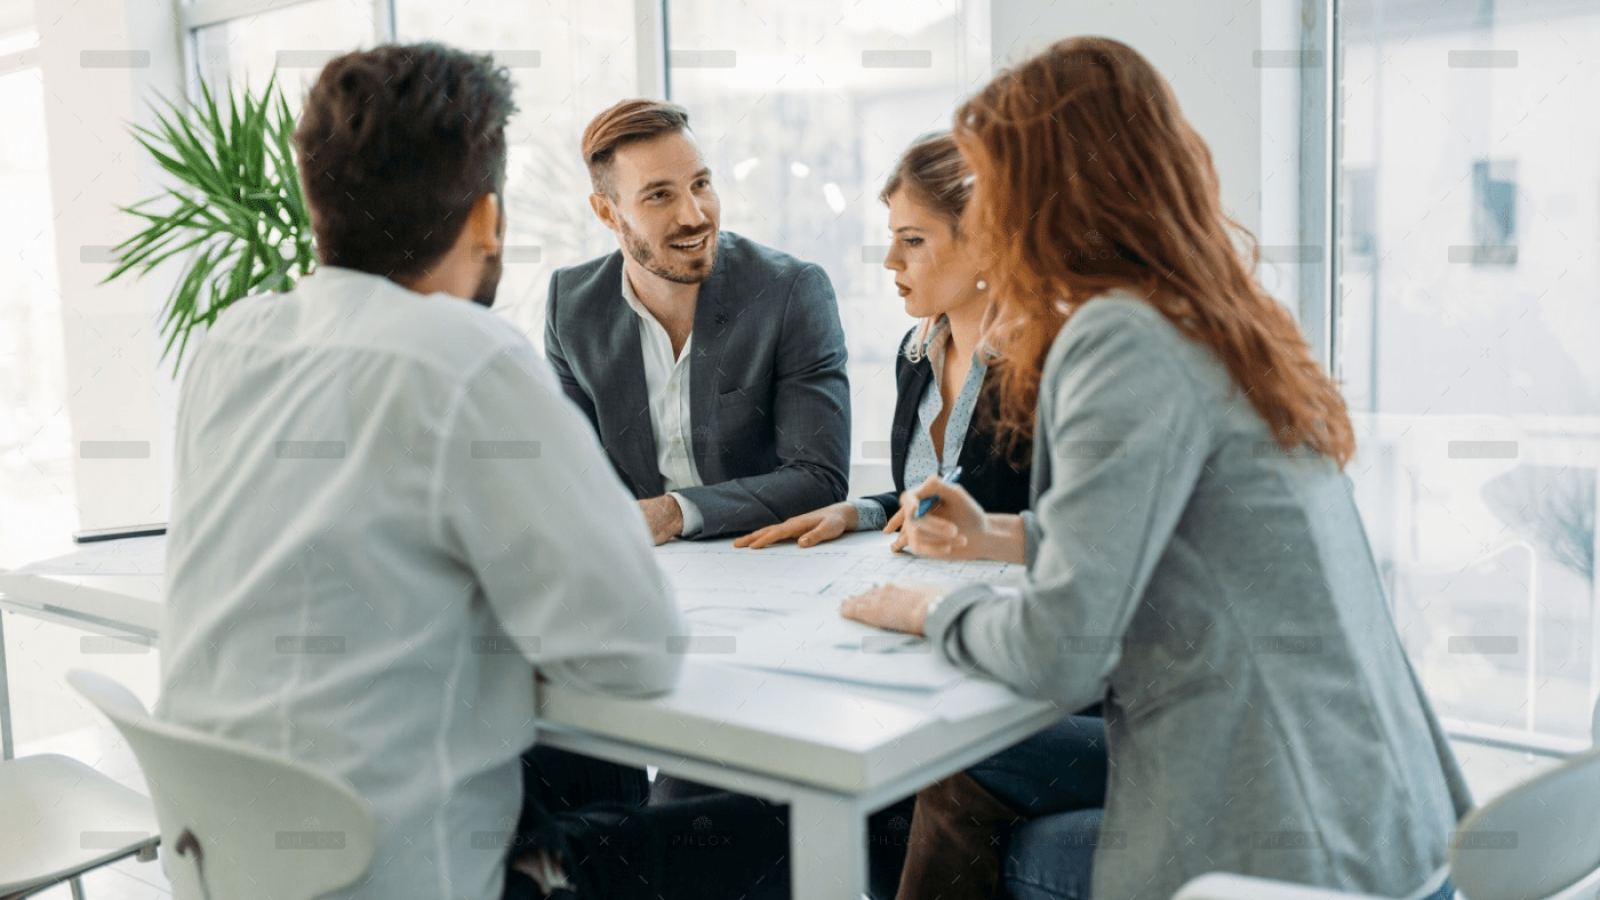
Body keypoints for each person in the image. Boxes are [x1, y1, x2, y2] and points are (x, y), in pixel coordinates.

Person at [842, 36, 1471, 900]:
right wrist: (996, 535)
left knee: (973, 812)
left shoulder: (1116, 338)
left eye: (992, 188)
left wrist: (931, 613)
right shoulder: (1222, 315)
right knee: (962, 777)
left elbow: (1061, 651)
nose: (981, 220)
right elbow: (1184, 530)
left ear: (1042, 194)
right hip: (1391, 817)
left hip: (1294, 861)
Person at [156, 44, 788, 900]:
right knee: (784, 830)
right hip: (412, 879)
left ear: (316, 203)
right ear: (488, 218)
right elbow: (637, 653)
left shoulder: (229, 345)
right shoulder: (466, 356)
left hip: (227, 869)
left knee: (581, 784)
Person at [544, 99, 851, 545]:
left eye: (701, 184)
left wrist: (672, 513)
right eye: (659, 195)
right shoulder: (571, 308)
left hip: (765, 558)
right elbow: (574, 475)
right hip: (644, 567)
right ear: (607, 212)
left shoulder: (790, 292)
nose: (694, 215)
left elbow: (819, 477)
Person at [735, 131, 1030, 552]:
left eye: (912, 240)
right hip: (928, 591)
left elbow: (1071, 528)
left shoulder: (1047, 364)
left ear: (985, 243)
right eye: (893, 237)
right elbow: (934, 500)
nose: (890, 260)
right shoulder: (916, 355)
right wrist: (856, 511)